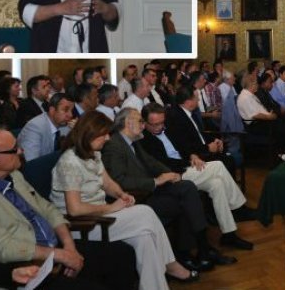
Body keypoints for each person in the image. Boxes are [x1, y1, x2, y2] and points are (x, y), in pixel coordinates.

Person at [0, 125, 138, 290]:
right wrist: (60, 256)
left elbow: (47, 209)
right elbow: (1, 248)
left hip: (53, 248)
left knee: (122, 254)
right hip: (23, 268)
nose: (21, 151)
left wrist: (69, 247)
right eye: (14, 149)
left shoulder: (13, 174)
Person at [50, 111, 198, 289]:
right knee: (145, 212)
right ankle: (170, 265)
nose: (107, 138)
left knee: (144, 239)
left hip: (99, 216)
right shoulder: (70, 163)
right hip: (83, 225)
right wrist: (111, 208)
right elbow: (74, 209)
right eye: (104, 134)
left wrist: (121, 195)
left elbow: (108, 184)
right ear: (90, 134)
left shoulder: (93, 154)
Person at [102, 108, 222, 272]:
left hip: (147, 191)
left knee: (186, 187)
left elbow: (151, 163)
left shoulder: (132, 141)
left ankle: (197, 250)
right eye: (140, 121)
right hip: (136, 198)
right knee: (183, 199)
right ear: (128, 123)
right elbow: (119, 181)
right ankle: (194, 251)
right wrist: (155, 181)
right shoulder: (114, 145)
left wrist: (171, 174)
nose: (143, 125)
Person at [140, 103, 255, 249]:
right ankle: (239, 207)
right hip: (174, 174)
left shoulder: (168, 130)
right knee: (218, 165)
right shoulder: (143, 140)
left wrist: (192, 155)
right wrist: (189, 162)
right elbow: (163, 163)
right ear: (144, 123)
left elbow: (184, 147)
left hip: (187, 168)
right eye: (155, 124)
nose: (159, 127)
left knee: (217, 184)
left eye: (162, 122)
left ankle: (229, 234)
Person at [17, 93, 74, 161]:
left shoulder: (66, 126)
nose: (70, 115)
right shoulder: (34, 127)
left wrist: (77, 132)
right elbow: (32, 163)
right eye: (65, 110)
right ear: (52, 110)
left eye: (71, 110)